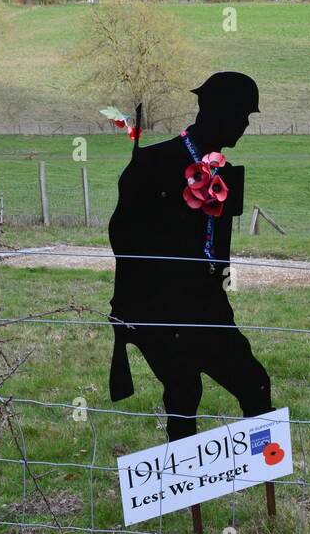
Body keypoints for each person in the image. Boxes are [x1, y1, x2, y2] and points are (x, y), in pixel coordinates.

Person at [107, 72, 272, 441]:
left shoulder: (223, 171)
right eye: (243, 115)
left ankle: (265, 464)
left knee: (256, 384)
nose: (246, 124)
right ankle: (186, 483)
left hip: (208, 307)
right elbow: (123, 237)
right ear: (219, 112)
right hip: (159, 309)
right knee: (184, 392)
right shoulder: (152, 163)